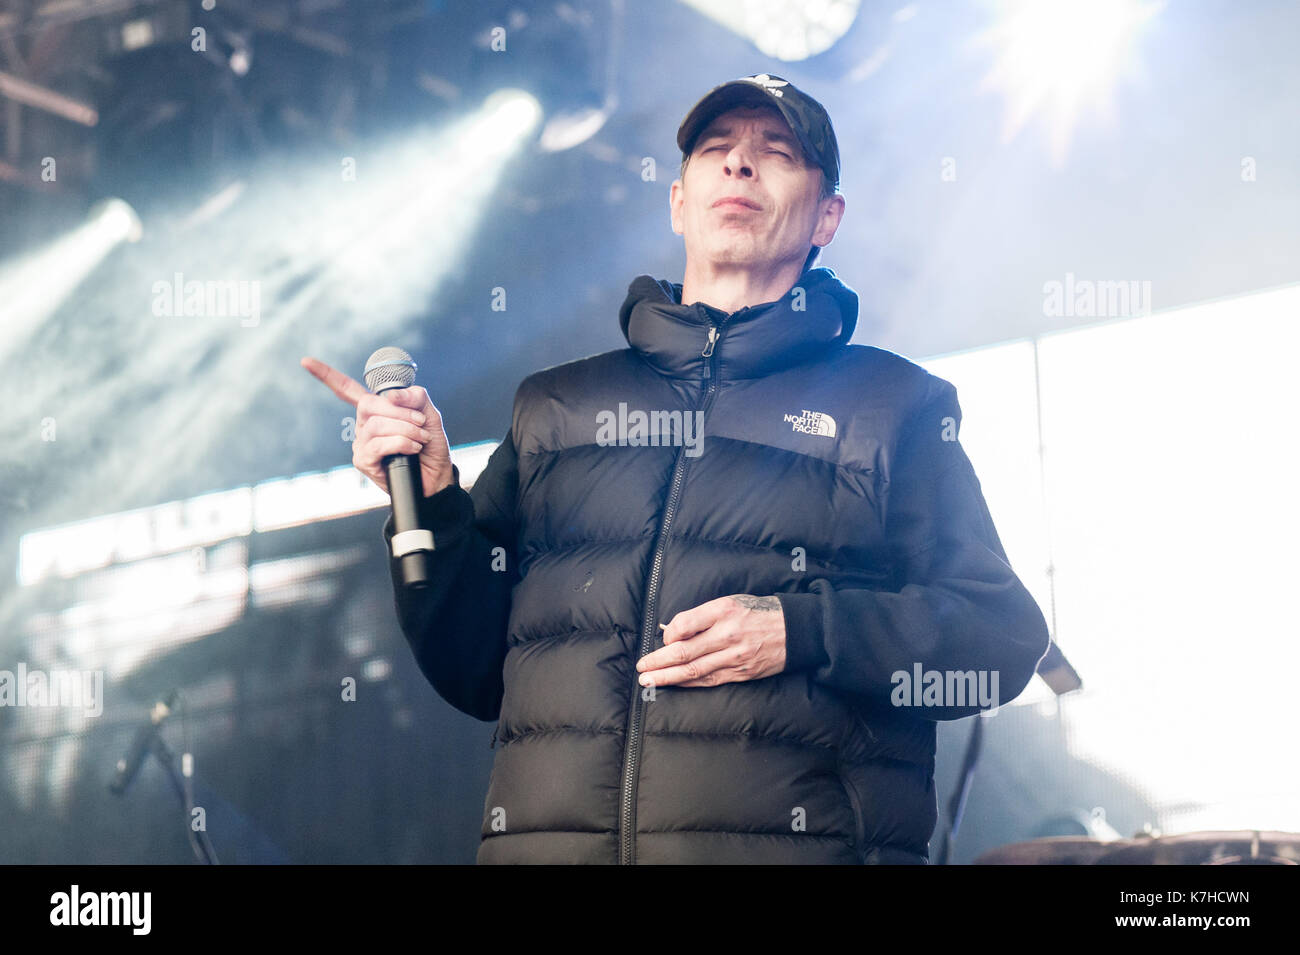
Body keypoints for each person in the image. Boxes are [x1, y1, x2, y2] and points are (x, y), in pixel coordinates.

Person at [302, 73, 1051, 864]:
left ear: (828, 215)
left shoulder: (891, 403)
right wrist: (434, 499)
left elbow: (996, 639)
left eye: (777, 153)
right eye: (717, 150)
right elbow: (472, 667)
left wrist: (803, 631)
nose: (738, 166)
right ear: (676, 201)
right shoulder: (557, 408)